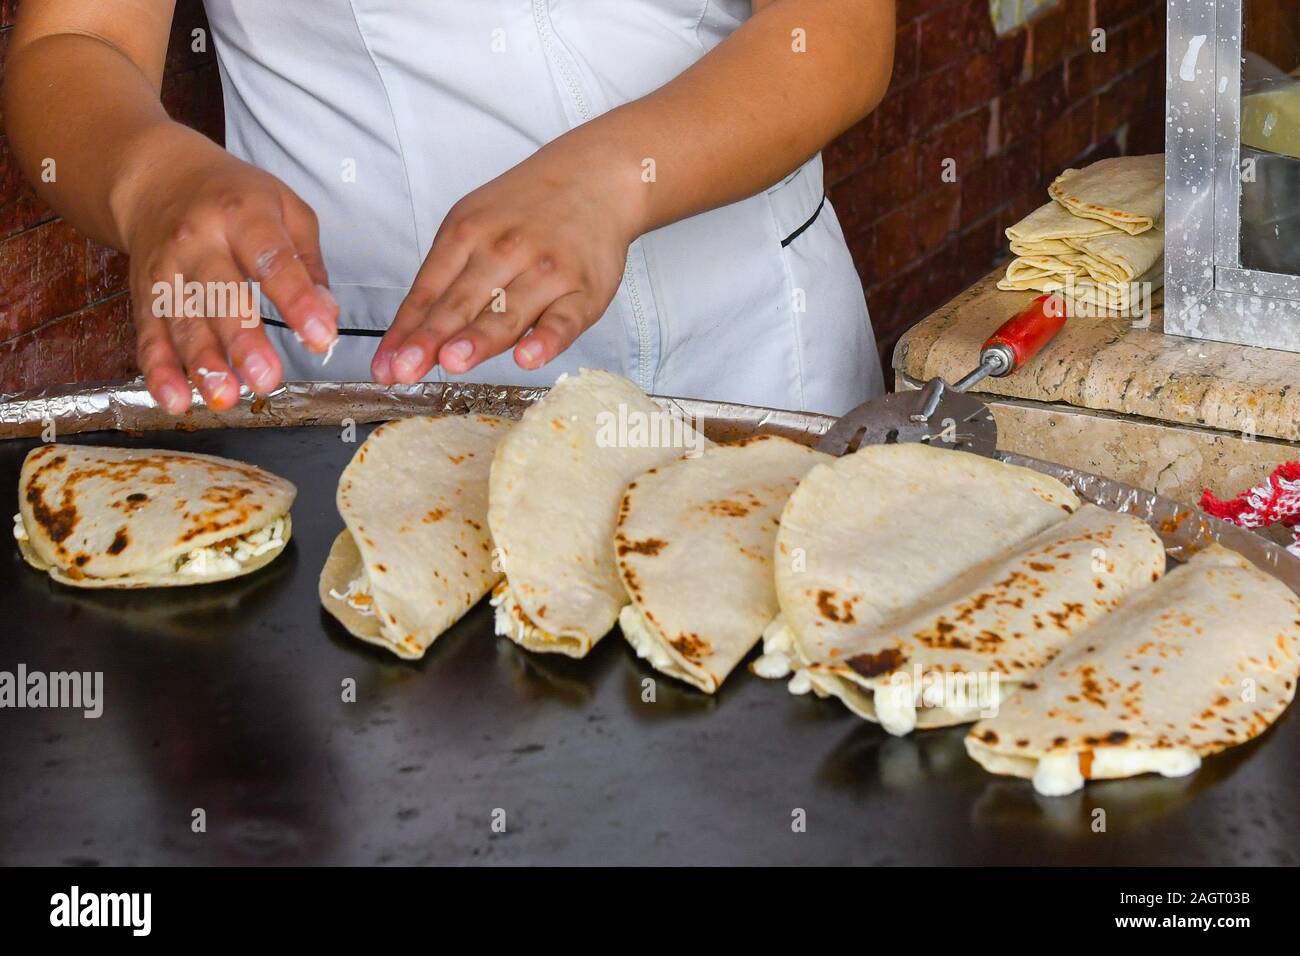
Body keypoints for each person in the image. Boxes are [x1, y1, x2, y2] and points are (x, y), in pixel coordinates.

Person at [5, 0, 893, 416]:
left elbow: (839, 30)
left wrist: (617, 176)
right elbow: (79, 40)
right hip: (384, 406)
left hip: (758, 362)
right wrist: (150, 178)